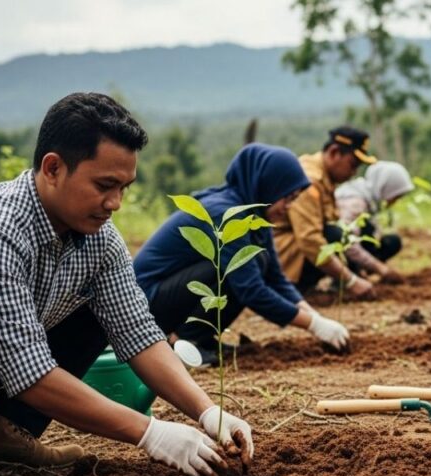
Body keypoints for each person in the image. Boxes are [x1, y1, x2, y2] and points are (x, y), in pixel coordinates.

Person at [0, 93, 252, 476]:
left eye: (124, 187)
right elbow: (28, 372)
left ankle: (2, 431)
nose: (115, 203)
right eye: (104, 185)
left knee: (95, 310)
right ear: (53, 168)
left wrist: (208, 412)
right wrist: (150, 433)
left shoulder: (100, 239)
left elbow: (138, 331)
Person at [133, 144, 350, 362]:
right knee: (241, 264)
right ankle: (187, 341)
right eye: (287, 197)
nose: (289, 206)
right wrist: (313, 325)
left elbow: (275, 277)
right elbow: (251, 290)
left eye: (294, 199)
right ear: (269, 187)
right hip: (148, 304)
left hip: (171, 293)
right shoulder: (227, 213)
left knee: (258, 259)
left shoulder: (255, 215)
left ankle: (202, 338)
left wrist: (314, 314)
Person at [274, 126, 378, 297]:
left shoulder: (325, 178)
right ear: (334, 152)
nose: (353, 173)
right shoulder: (309, 181)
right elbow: (309, 239)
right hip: (281, 255)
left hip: (293, 250)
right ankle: (290, 288)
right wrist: (351, 280)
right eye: (352, 165)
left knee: (347, 232)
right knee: (334, 235)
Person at [334, 160, 414, 284]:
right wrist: (381, 269)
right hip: (338, 251)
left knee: (391, 241)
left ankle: (358, 271)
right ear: (386, 188)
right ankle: (345, 278)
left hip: (350, 249)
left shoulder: (368, 197)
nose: (395, 201)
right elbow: (346, 242)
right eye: (396, 196)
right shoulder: (355, 203)